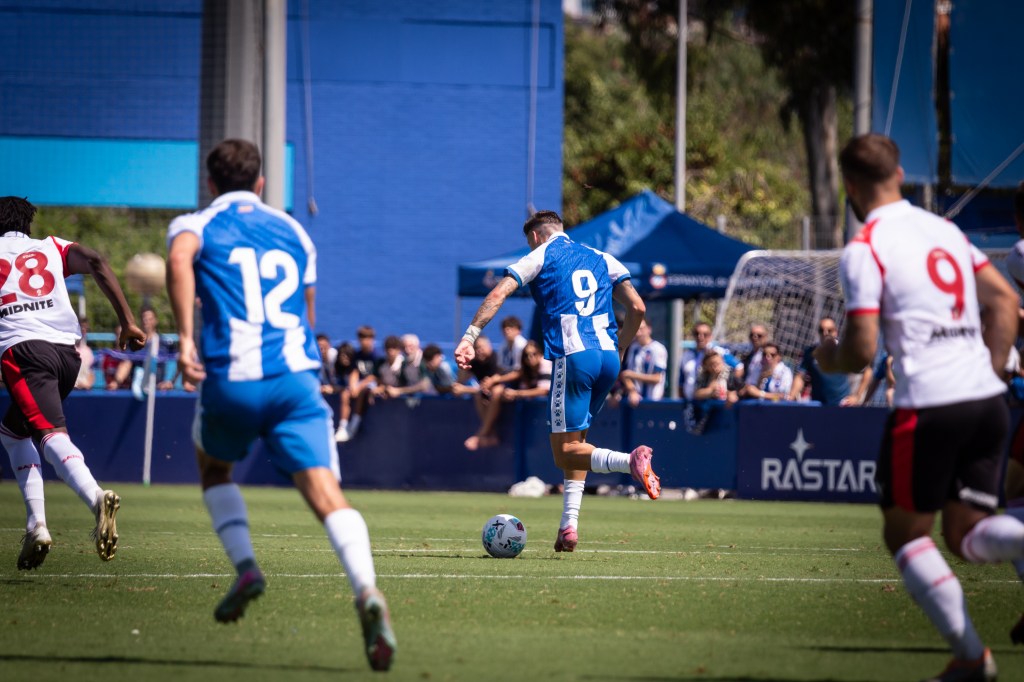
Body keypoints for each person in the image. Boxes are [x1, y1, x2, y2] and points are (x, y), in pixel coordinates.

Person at [166, 139, 395, 670]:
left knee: (213, 465)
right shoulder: (294, 231)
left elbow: (179, 260)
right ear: (262, 183)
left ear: (210, 184)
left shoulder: (193, 224)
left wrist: (184, 339)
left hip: (236, 378)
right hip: (296, 379)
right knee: (326, 493)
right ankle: (366, 590)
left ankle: (246, 566)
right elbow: (308, 314)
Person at [816, 133, 1024, 682]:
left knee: (905, 534)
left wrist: (827, 359)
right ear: (901, 173)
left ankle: (971, 657)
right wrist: (993, 369)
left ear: (851, 187)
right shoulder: (944, 230)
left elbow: (861, 348)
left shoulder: (865, 247)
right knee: (965, 533)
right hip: (987, 400)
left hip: (930, 406)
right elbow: (1005, 301)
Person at [454, 210, 660, 554]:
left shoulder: (540, 254)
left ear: (535, 236)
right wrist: (621, 345)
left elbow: (497, 295)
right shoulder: (601, 257)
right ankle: (569, 526)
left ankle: (630, 461)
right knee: (578, 444)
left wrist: (469, 337)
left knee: (563, 452)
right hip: (608, 357)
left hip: (574, 355)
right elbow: (637, 308)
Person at [0, 196, 145, 570]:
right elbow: (95, 260)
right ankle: (36, 526)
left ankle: (97, 498)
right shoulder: (51, 246)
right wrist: (127, 320)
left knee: (50, 435)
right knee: (14, 433)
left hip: (23, 352)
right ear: (28, 225)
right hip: (67, 356)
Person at [788, 317, 872, 405]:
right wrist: (792, 396)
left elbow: (868, 371)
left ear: (836, 332)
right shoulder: (810, 352)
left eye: (829, 330)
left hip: (841, 405)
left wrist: (857, 397)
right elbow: (800, 377)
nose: (825, 333)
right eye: (821, 330)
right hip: (818, 405)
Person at [680, 322, 741, 399]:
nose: (700, 337)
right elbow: (681, 382)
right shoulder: (687, 355)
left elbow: (739, 367)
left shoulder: (719, 352)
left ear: (710, 336)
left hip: (714, 400)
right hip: (691, 401)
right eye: (697, 333)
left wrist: (730, 387)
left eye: (705, 334)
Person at [619, 319, 668, 405]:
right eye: (636, 329)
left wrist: (632, 375)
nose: (638, 333)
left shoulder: (658, 348)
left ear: (649, 329)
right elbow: (625, 375)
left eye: (641, 329)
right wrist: (632, 391)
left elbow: (657, 378)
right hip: (635, 401)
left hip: (653, 402)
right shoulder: (633, 348)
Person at [74, 316, 96, 390]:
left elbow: (91, 373)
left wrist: (87, 385)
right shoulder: (65, 348)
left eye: (85, 328)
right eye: (81, 327)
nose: (83, 330)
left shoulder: (88, 351)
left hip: (84, 390)